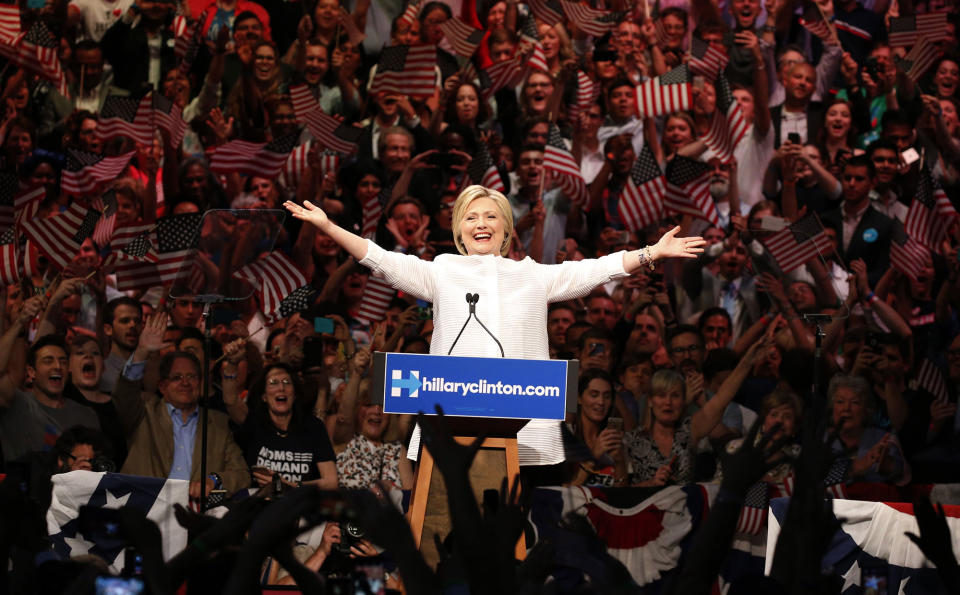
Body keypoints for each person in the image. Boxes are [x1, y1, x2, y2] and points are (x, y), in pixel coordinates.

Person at [285, 185, 706, 467]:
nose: (481, 223)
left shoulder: (534, 275)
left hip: (514, 424)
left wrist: (652, 252)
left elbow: (598, 270)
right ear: (459, 231)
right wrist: (328, 226)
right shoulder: (442, 271)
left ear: (506, 229)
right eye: (471, 217)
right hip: (449, 416)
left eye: (491, 216)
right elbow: (380, 259)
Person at [112, 313, 249, 498]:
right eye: (177, 378)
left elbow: (241, 474)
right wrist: (142, 352)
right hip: (144, 514)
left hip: (196, 515)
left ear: (200, 382)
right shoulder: (144, 413)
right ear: (163, 386)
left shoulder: (218, 422)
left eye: (191, 376)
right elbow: (125, 393)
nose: (185, 383)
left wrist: (214, 480)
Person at [221, 356, 338, 490]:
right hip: (259, 505)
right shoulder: (254, 422)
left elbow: (331, 481)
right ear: (264, 396)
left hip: (299, 505)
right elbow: (230, 399)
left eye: (287, 382)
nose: (281, 387)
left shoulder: (313, 426)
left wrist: (290, 486)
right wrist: (232, 362)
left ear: (295, 394)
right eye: (273, 382)